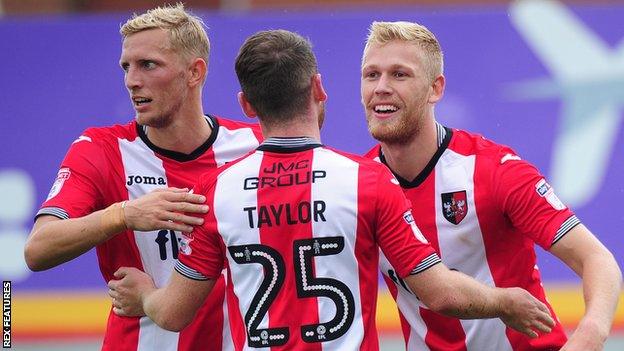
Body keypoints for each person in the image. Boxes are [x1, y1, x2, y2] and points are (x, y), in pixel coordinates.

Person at [109, 29, 556, 350]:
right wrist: (505, 300)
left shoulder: (218, 189)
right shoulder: (367, 179)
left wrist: (145, 295)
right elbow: (439, 293)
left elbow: (173, 313)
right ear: (319, 88)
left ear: (247, 105)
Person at [360, 21, 622, 351]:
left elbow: (597, 259)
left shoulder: (494, 170)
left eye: (400, 74)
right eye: (372, 75)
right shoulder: (357, 186)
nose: (381, 87)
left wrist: (591, 332)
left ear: (435, 89)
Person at [24, 4, 262, 350]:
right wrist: (123, 215)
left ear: (194, 72)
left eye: (148, 65)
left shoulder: (252, 145)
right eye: (126, 66)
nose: (132, 80)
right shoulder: (100, 149)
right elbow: (37, 250)